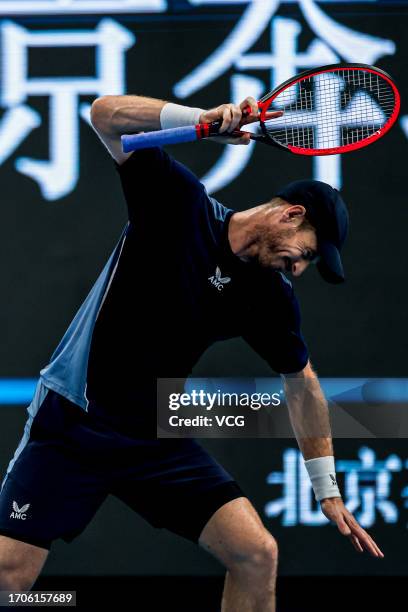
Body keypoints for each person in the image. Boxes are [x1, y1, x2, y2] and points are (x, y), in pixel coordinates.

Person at [0, 95, 383, 612]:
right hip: (71, 423)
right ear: (291, 216)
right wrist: (195, 122)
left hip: (152, 439)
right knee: (9, 583)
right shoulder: (178, 204)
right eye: (309, 254)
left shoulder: (269, 297)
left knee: (256, 553)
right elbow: (104, 115)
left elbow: (302, 384)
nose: (299, 270)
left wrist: (327, 489)